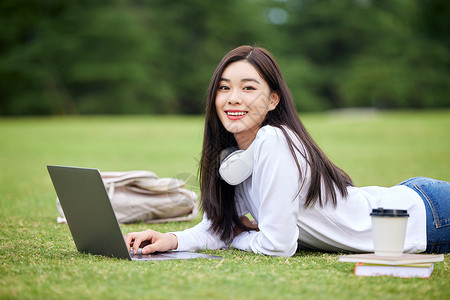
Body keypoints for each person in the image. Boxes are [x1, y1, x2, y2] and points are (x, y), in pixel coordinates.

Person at [125, 45, 450, 256]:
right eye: (224, 87)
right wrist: (172, 240)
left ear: (273, 100)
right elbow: (220, 228)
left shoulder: (275, 140)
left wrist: (240, 237)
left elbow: (278, 246)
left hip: (427, 216)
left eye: (248, 88)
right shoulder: (232, 160)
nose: (233, 98)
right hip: (410, 197)